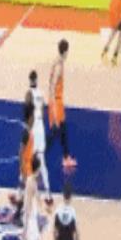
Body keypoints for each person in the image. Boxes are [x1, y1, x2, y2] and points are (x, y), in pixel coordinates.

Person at [48, 39, 77, 168]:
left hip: (56, 102)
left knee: (62, 131)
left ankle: (66, 158)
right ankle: (38, 158)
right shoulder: (59, 67)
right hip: (56, 103)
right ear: (65, 52)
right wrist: (53, 108)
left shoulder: (56, 62)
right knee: (55, 132)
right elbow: (53, 86)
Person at [26, 70, 53, 206]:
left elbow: (27, 115)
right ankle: (48, 194)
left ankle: (24, 193)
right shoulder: (41, 94)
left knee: (29, 160)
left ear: (30, 80)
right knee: (42, 161)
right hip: (40, 126)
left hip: (33, 128)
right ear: (36, 80)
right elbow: (42, 111)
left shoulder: (28, 94)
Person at [16, 154, 45, 240]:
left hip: (32, 216)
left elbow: (37, 198)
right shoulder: (30, 182)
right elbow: (27, 204)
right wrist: (25, 226)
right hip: (29, 218)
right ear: (37, 168)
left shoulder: (33, 181)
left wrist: (44, 203)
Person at [9, 102, 35, 228]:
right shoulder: (26, 133)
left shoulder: (29, 131)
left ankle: (16, 198)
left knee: (23, 187)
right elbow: (20, 151)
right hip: (26, 165)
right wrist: (22, 167)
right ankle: (17, 216)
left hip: (28, 163)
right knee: (25, 189)